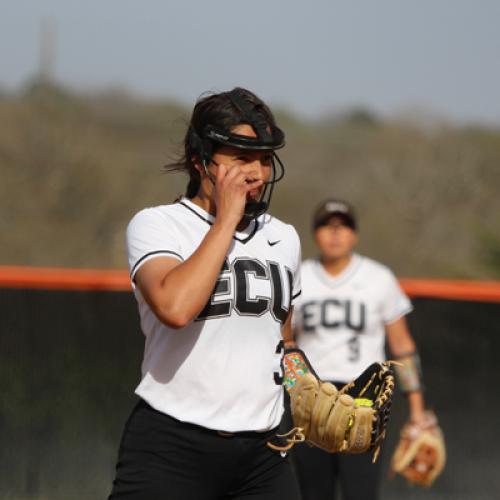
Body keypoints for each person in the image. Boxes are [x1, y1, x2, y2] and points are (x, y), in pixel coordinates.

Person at [108, 87, 302, 500]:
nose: (258, 173)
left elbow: (283, 338)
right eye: (241, 158)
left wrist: (309, 391)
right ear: (200, 162)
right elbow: (175, 308)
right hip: (173, 445)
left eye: (265, 159)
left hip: (264, 454)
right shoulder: (159, 225)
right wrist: (225, 223)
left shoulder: (282, 238)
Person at [286, 199, 427, 500]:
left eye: (343, 226)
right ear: (315, 233)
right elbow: (287, 346)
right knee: (312, 493)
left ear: (355, 234)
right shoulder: (299, 277)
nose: (335, 233)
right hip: (313, 400)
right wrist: (291, 394)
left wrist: (417, 413)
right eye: (327, 225)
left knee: (360, 492)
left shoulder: (379, 278)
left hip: (364, 400)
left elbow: (403, 348)